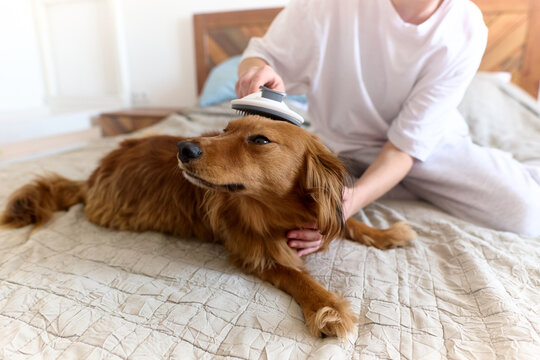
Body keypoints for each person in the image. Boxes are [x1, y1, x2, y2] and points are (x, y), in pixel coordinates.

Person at [236, 0, 540, 255]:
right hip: (344, 148)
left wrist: (345, 207)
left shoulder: (465, 25)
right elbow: (263, 55)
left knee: (528, 214)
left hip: (427, 149)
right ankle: (393, 186)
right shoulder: (327, 6)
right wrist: (255, 70)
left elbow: (403, 148)